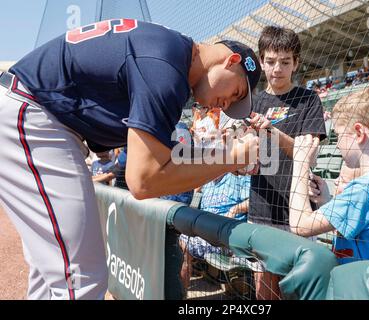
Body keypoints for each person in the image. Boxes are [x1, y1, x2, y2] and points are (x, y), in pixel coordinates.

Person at [0, 19, 261, 299]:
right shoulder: (167, 66)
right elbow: (143, 181)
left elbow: (161, 156)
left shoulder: (171, 53)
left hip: (33, 113)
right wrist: (231, 158)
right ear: (231, 61)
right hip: (34, 117)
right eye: (236, 92)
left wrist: (222, 157)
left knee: (55, 272)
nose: (227, 104)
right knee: (79, 275)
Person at [289, 86, 369, 265]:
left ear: (358, 133)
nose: (338, 144)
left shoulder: (366, 188)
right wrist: (326, 202)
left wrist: (300, 162)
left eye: (338, 135)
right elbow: (357, 226)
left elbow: (300, 224)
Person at [246, 26, 326, 300]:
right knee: (263, 291)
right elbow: (243, 157)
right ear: (260, 61)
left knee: (296, 290)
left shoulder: (308, 99)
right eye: (270, 61)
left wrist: (272, 132)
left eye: (285, 62)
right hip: (261, 204)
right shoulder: (252, 101)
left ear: (296, 63)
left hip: (297, 210)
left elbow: (309, 154)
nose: (277, 68)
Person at [179, 173, 250, 290]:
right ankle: (181, 295)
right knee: (182, 241)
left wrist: (235, 209)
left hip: (228, 235)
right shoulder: (206, 182)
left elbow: (253, 201)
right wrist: (197, 191)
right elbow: (193, 207)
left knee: (183, 243)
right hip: (205, 235)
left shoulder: (238, 177)